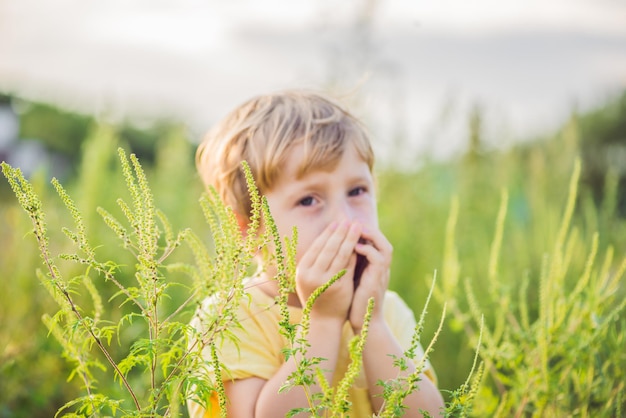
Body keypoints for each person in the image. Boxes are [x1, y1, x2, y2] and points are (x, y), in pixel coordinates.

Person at [188, 90, 444, 417]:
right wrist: (322, 321)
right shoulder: (230, 318)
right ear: (248, 230)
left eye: (357, 191)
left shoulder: (387, 311)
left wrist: (372, 326)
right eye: (309, 200)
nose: (345, 220)